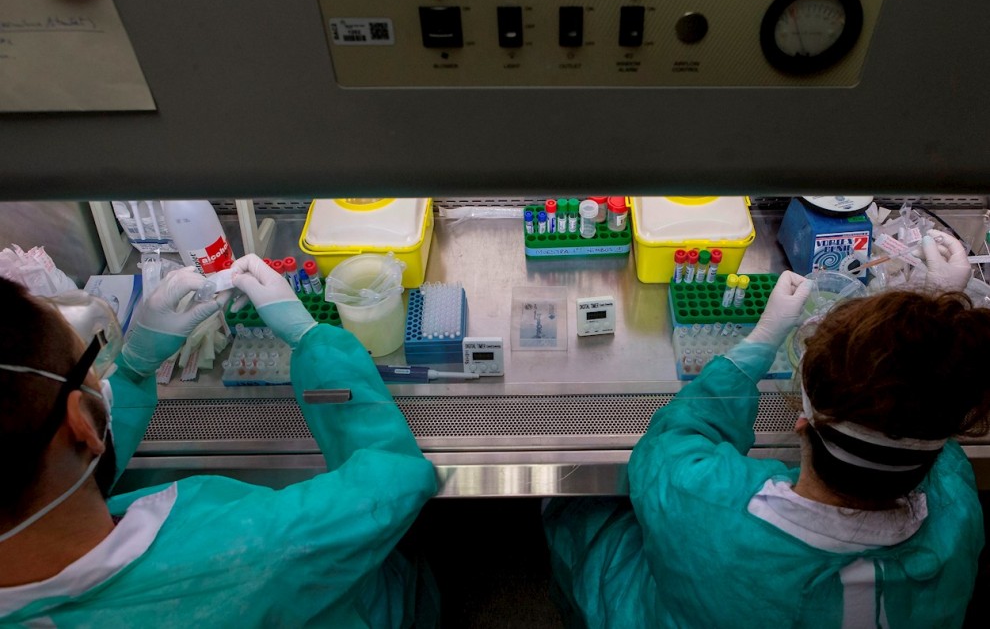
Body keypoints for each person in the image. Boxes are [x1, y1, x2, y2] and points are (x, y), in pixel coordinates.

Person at [544, 230, 990, 627]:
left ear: (803, 423)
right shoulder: (959, 514)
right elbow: (923, 416)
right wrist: (931, 324)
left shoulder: (707, 501)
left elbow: (668, 445)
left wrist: (759, 341)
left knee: (581, 507)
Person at [0, 255, 437, 626]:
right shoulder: (258, 549)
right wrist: (314, 340)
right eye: (89, 362)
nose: (100, 374)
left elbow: (61, 474)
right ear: (80, 423)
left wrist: (133, 371)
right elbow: (394, 478)